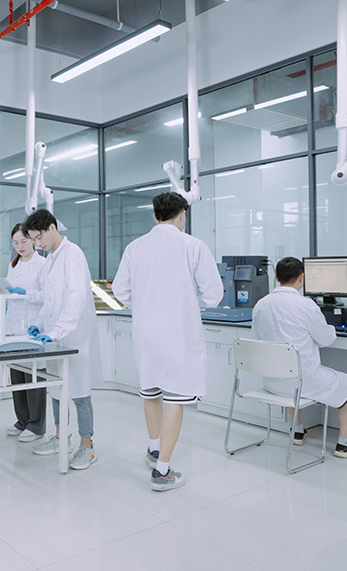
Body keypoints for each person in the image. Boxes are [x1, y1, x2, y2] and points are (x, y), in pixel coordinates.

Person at [112, 192, 223, 491]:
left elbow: (120, 291)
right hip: (178, 334)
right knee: (175, 399)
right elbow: (213, 295)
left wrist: (145, 301)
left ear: (154, 216)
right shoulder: (193, 246)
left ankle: (154, 449)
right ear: (183, 214)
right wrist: (190, 300)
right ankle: (162, 471)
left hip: (146, 333)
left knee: (150, 391)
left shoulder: (135, 247)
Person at [252, 256, 347, 458]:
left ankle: (297, 431)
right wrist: (330, 327)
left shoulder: (261, 305)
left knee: (290, 372)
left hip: (273, 383)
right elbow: (327, 339)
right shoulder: (306, 306)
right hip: (302, 383)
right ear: (302, 277)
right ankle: (344, 444)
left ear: (276, 278)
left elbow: (257, 340)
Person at [23, 209, 102, 471]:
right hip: (56, 337)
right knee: (57, 389)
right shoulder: (51, 260)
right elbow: (49, 301)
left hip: (75, 337)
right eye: (33, 239)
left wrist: (56, 331)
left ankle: (87, 446)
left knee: (80, 393)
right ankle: (60, 438)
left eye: (39, 237)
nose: (37, 244)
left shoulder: (73, 254)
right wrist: (38, 324)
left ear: (52, 228)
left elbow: (75, 299)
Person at [0, 224, 47, 442]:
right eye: (15, 243)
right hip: (13, 328)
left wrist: (27, 293)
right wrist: (1, 290)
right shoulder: (13, 265)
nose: (20, 246)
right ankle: (22, 420)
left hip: (33, 326)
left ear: (33, 240)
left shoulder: (42, 264)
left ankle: (36, 425)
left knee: (33, 377)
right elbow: (10, 293)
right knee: (17, 377)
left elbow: (47, 296)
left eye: (23, 241)